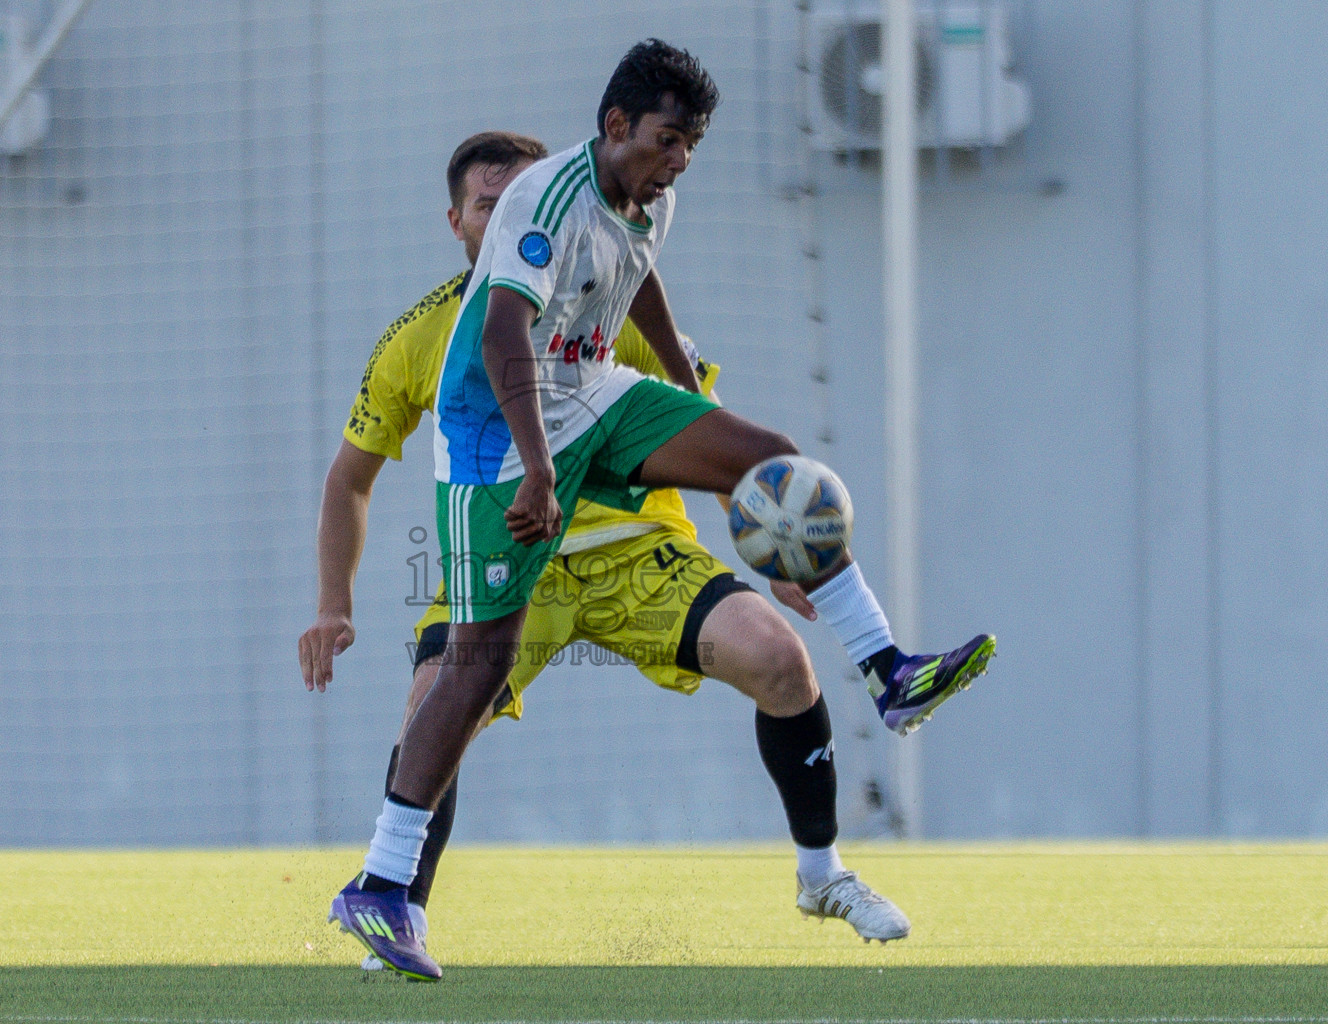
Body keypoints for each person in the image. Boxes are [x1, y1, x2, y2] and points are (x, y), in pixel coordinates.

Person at [325, 42, 995, 982]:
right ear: (616, 127)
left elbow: (636, 278)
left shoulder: (650, 197)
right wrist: (537, 469)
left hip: (590, 391)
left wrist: (692, 406)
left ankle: (887, 668)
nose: (680, 160)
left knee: (771, 457)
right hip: (498, 437)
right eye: (669, 140)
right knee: (474, 666)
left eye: (691, 144)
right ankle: (383, 884)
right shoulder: (544, 201)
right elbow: (504, 332)